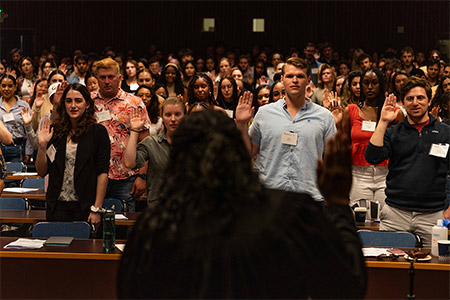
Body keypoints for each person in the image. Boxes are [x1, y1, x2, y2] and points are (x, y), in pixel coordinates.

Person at [118, 110, 366, 299]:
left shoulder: (154, 227)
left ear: (178, 161)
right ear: (238, 154)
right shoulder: (289, 213)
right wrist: (337, 201)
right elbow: (347, 284)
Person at [236, 57, 336, 203]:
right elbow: (249, 152)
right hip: (269, 196)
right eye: (290, 76)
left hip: (309, 198)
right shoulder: (264, 113)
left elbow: (331, 161)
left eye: (300, 76)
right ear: (282, 80)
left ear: (308, 80)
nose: (294, 80)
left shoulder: (325, 117)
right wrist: (241, 125)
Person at [365, 77, 450, 247]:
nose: (415, 103)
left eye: (420, 98)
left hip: (433, 215)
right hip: (395, 214)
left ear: (429, 100)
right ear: (403, 103)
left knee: (436, 269)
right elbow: (372, 157)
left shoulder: (445, 132)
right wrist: (383, 121)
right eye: (409, 99)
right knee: (390, 269)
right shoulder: (393, 132)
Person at [35, 83, 110, 225]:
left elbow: (102, 173)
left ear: (87, 104)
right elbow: (41, 171)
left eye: (78, 101)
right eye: (68, 101)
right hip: (57, 205)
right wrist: (42, 146)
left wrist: (97, 208)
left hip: (86, 205)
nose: (73, 106)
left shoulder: (98, 132)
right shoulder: (55, 131)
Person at [92, 58, 151, 212]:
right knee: (95, 223)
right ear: (96, 78)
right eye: (102, 77)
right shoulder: (87, 101)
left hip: (126, 176)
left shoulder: (134, 103)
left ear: (120, 78)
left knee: (124, 225)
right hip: (94, 175)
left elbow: (145, 143)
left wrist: (142, 176)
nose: (106, 81)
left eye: (111, 77)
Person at [124, 97, 185, 209]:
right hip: (159, 207)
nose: (173, 119)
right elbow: (129, 163)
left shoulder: (194, 143)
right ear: (162, 117)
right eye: (168, 115)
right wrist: (134, 131)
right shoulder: (152, 143)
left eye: (177, 114)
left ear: (185, 116)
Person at [0, 74, 33, 163]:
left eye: (10, 86)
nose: (6, 89)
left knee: (16, 175)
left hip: (18, 148)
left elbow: (29, 129)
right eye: (3, 86)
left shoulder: (23, 105)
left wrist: (28, 152)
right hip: (0, 148)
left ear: (15, 88)